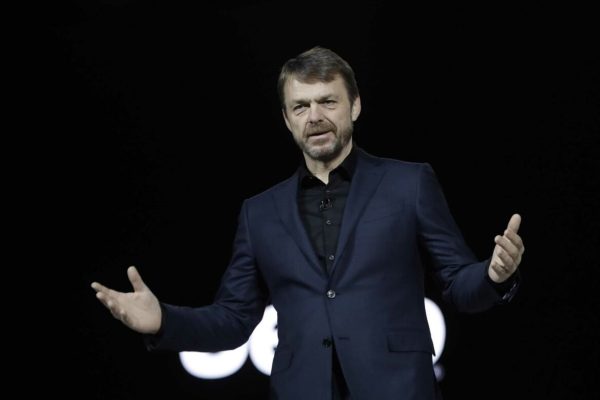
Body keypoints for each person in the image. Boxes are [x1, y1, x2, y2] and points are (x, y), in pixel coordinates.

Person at [92, 46, 525, 400]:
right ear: (287, 119)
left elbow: (458, 283)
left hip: (398, 389)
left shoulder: (408, 183)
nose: (314, 116)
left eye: (327, 102)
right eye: (300, 106)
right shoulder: (259, 212)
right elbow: (234, 319)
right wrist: (164, 321)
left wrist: (493, 275)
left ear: (354, 106)